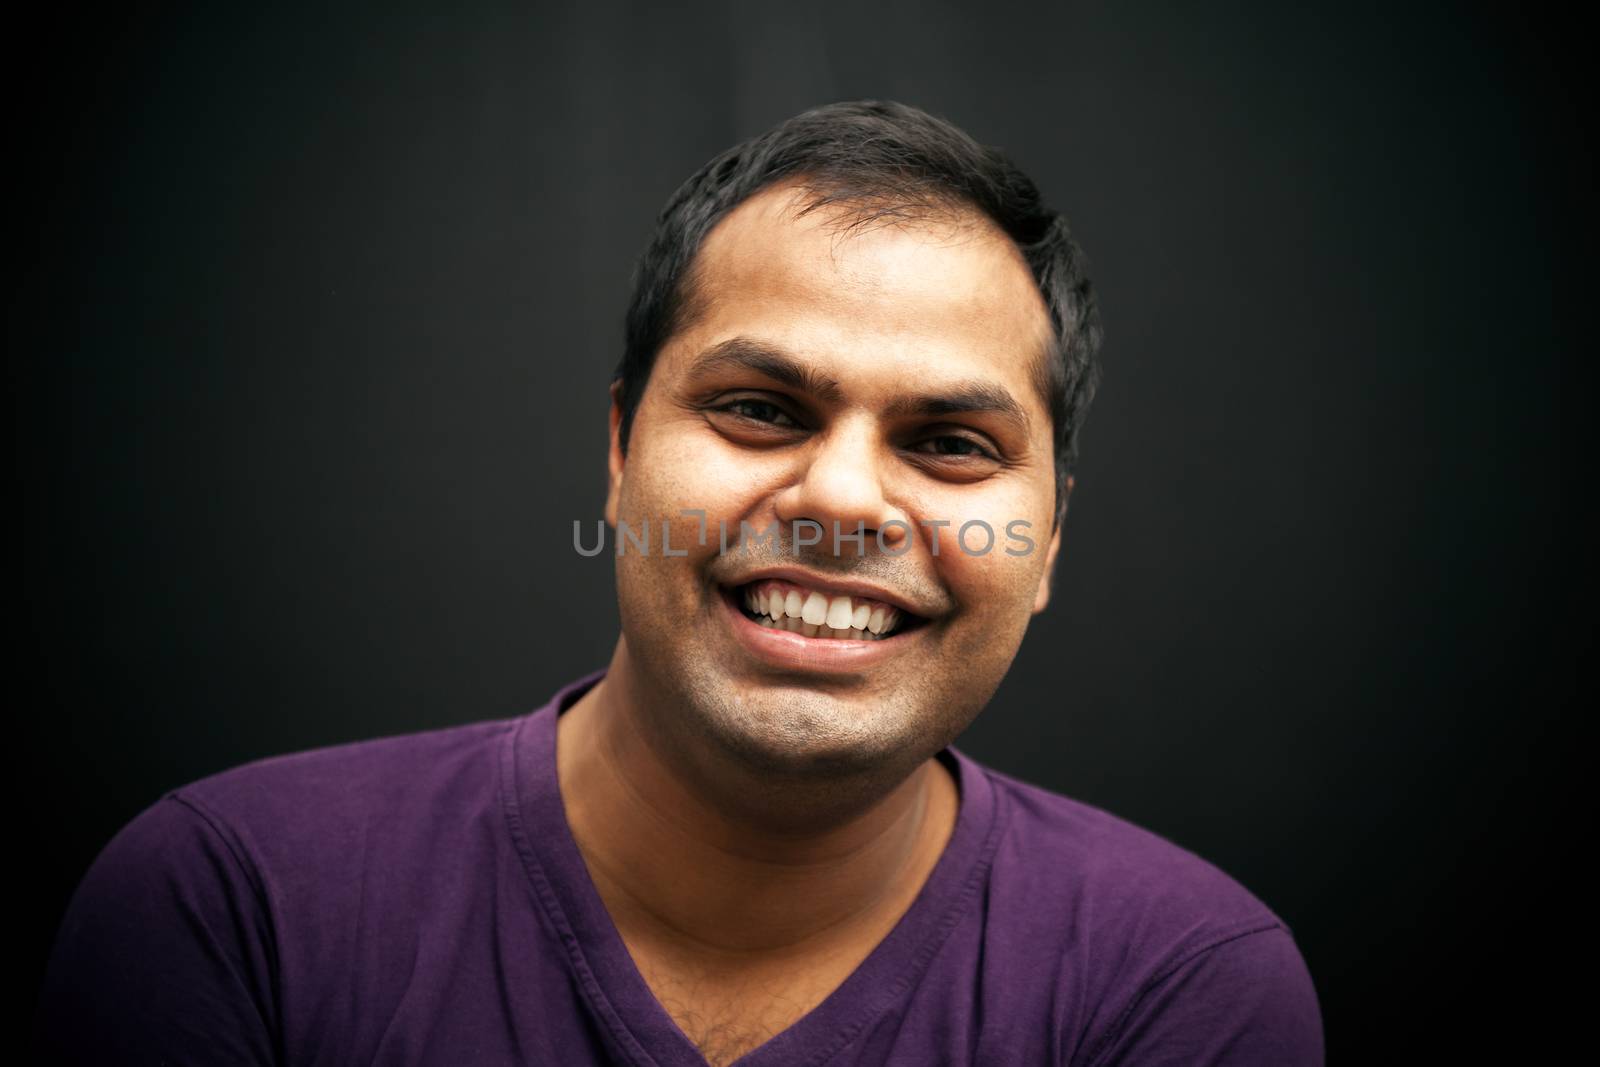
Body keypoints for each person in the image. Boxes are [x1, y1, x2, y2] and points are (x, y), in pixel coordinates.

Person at [35, 100, 1324, 1065]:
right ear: (618, 451)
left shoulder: (1178, 987)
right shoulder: (233, 906)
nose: (840, 501)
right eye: (761, 409)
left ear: (1045, 544)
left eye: (949, 444)